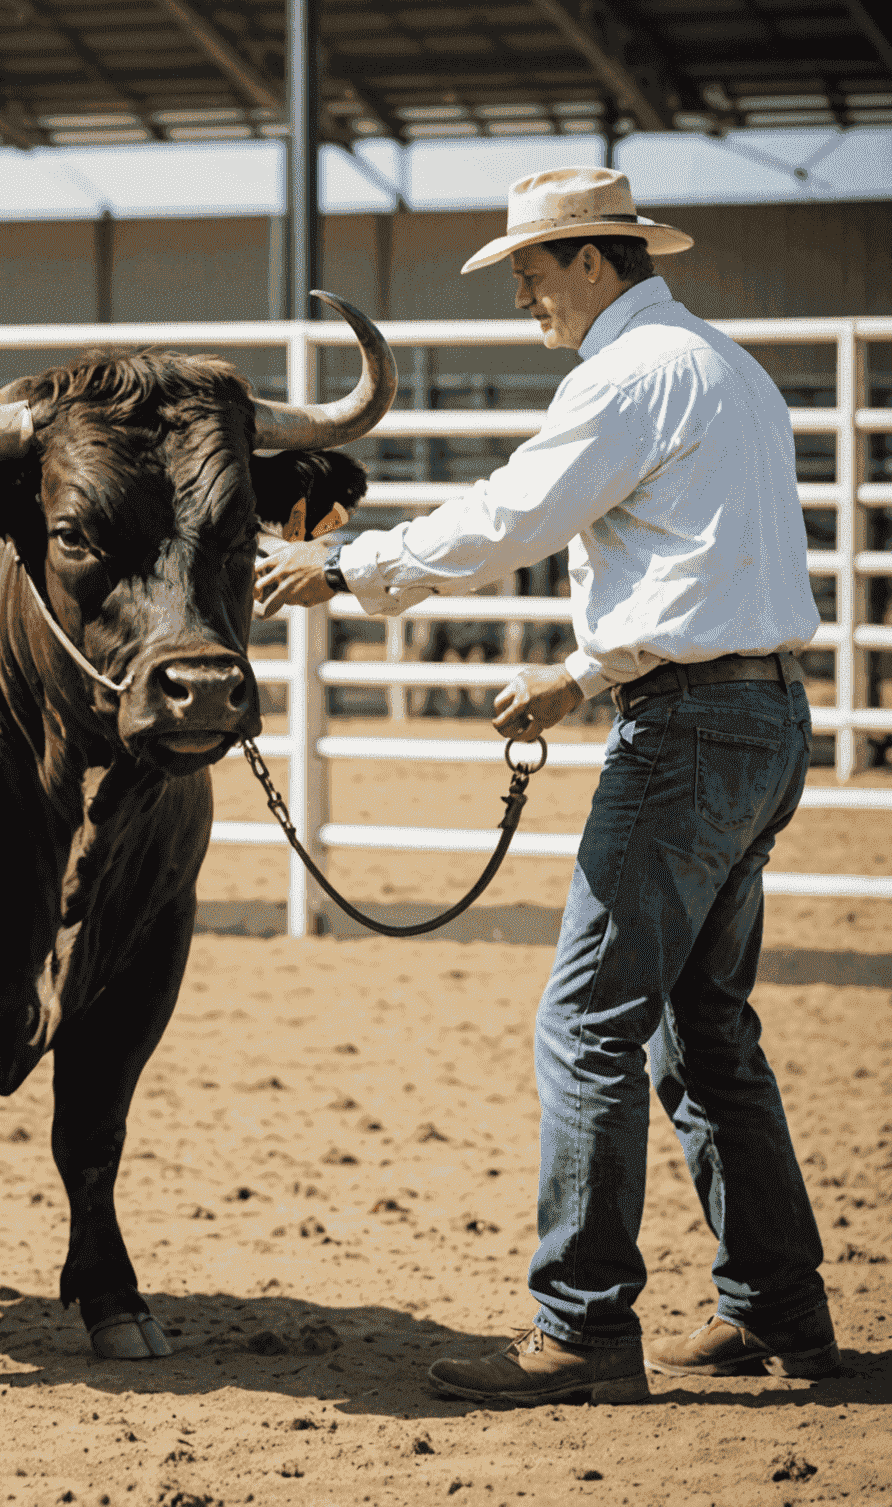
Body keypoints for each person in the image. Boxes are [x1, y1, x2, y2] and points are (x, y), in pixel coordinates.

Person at [255, 167, 836, 1406]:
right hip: (762, 719)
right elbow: (708, 564)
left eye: (529, 268)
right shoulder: (724, 367)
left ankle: (580, 1330)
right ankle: (781, 1309)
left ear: (590, 260)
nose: (521, 293)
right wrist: (581, 675)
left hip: (687, 740)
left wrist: (353, 563)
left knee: (586, 1027)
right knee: (708, 1034)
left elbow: (513, 514)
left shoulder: (627, 376)